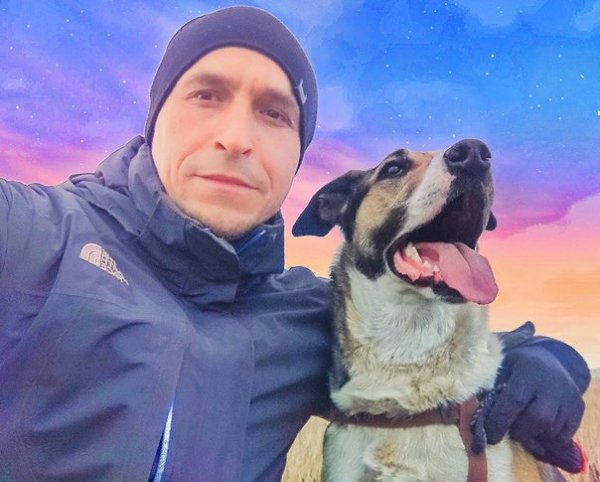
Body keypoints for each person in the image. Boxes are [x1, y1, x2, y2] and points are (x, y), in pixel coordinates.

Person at [0, 6, 590, 482]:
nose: (236, 137)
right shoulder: (33, 233)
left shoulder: (315, 316)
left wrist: (549, 362)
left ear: (296, 156)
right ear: (155, 119)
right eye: (206, 95)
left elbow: (488, 347)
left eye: (275, 114)